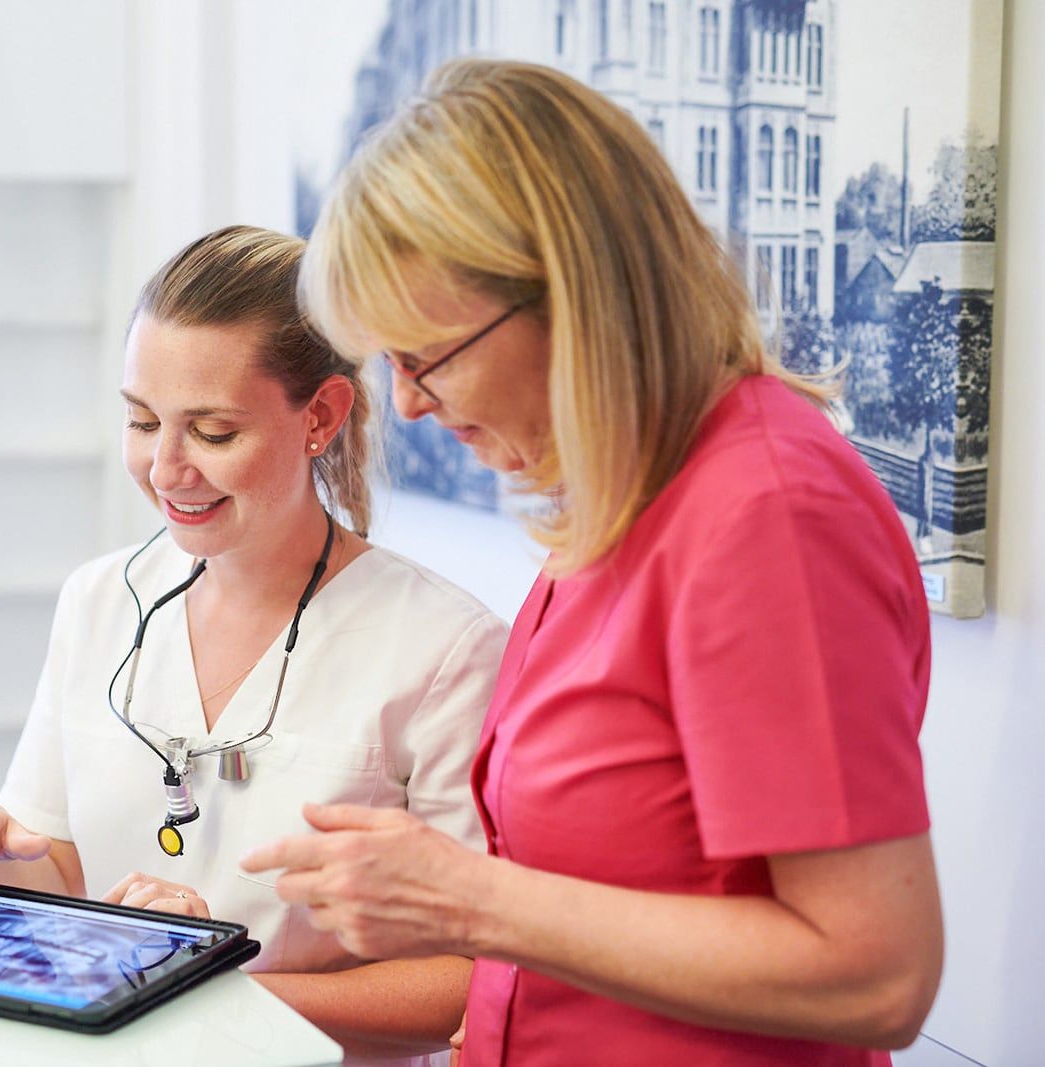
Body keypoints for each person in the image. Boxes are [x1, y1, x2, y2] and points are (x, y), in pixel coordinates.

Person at [242, 60, 943, 1066]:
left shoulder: (765, 515)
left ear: (569, 294)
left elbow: (876, 970)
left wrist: (467, 896)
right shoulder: (622, 501)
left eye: (425, 358)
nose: (407, 406)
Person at [0, 225, 509, 1063]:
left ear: (321, 417)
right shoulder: (98, 600)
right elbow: (64, 868)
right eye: (141, 421)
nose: (165, 468)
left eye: (212, 431)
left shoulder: (445, 649)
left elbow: (474, 975)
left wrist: (213, 985)